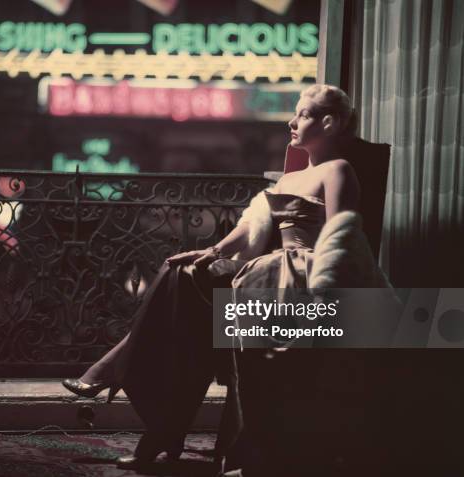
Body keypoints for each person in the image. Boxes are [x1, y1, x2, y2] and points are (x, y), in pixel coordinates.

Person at [63, 84, 377, 472]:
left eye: (303, 114)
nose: (292, 122)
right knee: (181, 273)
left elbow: (341, 237)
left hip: (300, 276)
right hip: (266, 271)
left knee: (188, 317)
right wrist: (210, 252)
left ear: (329, 123)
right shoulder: (287, 178)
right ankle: (156, 417)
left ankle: (138, 399)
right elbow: (251, 229)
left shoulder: (338, 170)